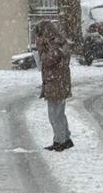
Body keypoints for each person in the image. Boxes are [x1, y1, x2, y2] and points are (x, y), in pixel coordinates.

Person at [35, 20, 73, 151]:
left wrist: (41, 49)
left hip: (55, 83)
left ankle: (60, 141)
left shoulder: (53, 45)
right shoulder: (59, 43)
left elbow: (48, 60)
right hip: (59, 83)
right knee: (59, 113)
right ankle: (65, 138)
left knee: (54, 115)